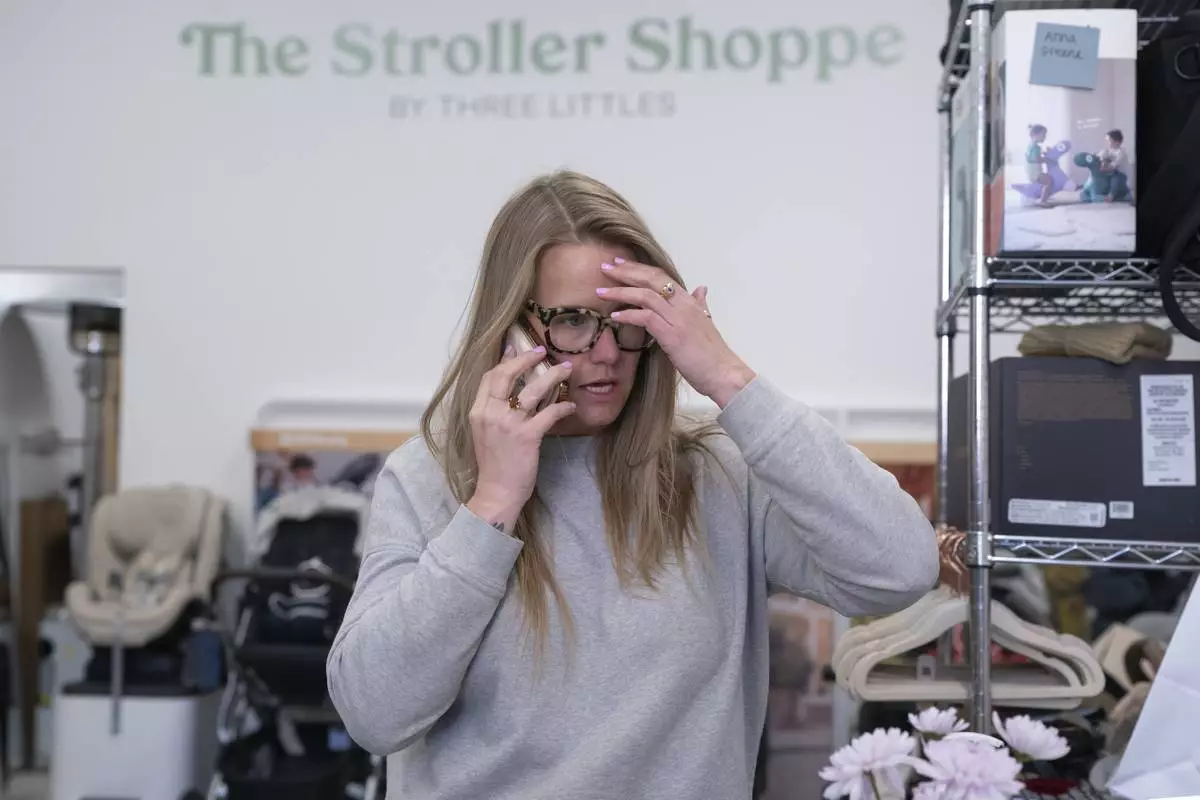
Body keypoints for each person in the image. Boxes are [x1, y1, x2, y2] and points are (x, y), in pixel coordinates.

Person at [326, 170, 938, 800]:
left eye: (627, 318)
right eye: (571, 321)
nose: (608, 352)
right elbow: (374, 714)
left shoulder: (716, 471)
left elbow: (900, 570)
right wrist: (492, 505)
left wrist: (728, 378)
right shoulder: (430, 476)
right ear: (509, 328)